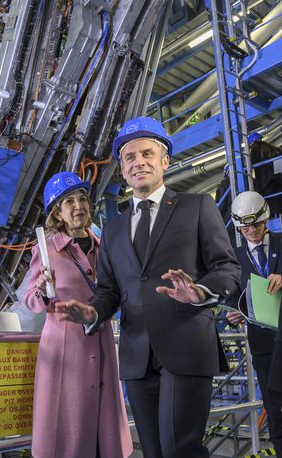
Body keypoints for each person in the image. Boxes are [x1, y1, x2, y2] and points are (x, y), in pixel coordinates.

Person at [56, 116, 240, 458]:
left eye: (147, 154)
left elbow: (227, 268)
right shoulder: (112, 230)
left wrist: (199, 292)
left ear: (164, 161)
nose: (138, 162)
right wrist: (92, 311)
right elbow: (110, 290)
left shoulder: (197, 207)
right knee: (154, 452)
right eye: (129, 157)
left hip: (185, 347)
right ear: (123, 170)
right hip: (138, 355)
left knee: (178, 450)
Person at [23, 171, 132, 458]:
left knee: (102, 433)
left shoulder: (102, 246)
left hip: (102, 343)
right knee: (69, 433)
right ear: (57, 213)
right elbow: (30, 300)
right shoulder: (45, 250)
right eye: (68, 201)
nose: (78, 206)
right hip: (65, 351)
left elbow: (116, 293)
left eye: (81, 198)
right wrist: (44, 291)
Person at [224, 191, 282, 453]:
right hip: (263, 345)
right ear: (237, 226)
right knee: (273, 404)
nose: (252, 231)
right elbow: (236, 297)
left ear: (266, 219)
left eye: (257, 224)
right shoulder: (234, 258)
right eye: (245, 227)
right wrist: (233, 315)